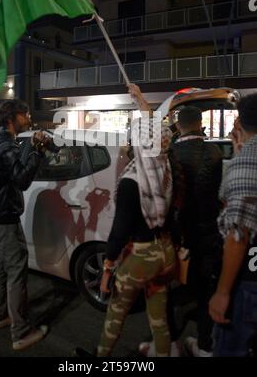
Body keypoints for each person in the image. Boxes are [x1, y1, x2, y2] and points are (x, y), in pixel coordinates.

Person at [77, 84, 176, 357]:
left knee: (116, 311)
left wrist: (108, 267)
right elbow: (154, 131)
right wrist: (142, 101)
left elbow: (120, 231)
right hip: (164, 252)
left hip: (140, 258)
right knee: (159, 318)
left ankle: (101, 356)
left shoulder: (133, 180)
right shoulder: (165, 168)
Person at [138, 102, 223, 357]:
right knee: (207, 290)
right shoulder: (216, 152)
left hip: (177, 234)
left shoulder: (171, 153)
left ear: (178, 126)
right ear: (201, 124)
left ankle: (170, 342)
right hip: (209, 233)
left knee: (167, 290)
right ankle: (206, 345)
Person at [0, 99, 50, 351]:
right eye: (25, 114)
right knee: (16, 268)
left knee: (0, 264)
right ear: (12, 117)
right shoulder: (4, 145)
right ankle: (20, 332)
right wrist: (38, 151)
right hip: (2, 217)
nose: (29, 118)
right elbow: (21, 179)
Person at [209, 93, 257, 357]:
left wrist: (223, 292)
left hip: (249, 280)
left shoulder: (245, 164)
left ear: (239, 122)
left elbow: (238, 235)